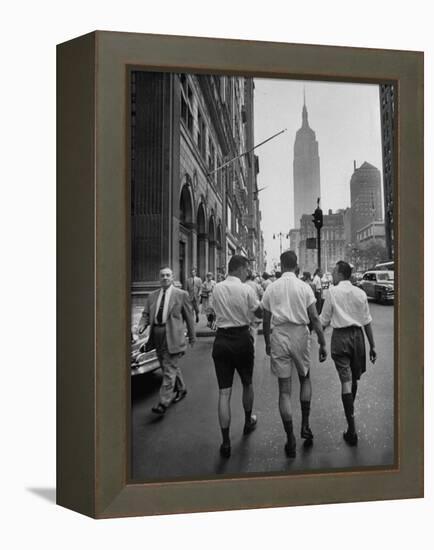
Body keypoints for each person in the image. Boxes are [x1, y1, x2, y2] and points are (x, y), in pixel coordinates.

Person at [262, 251, 327, 458]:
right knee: (305, 378)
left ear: (281, 265)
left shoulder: (271, 288)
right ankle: (305, 425)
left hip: (279, 335)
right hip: (300, 334)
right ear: (296, 265)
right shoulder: (304, 287)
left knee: (284, 390)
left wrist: (267, 342)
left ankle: (290, 438)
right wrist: (323, 343)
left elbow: (265, 319)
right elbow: (315, 318)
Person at [320, 260, 377, 446]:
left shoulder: (332, 292)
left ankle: (351, 429)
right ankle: (350, 416)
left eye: (334, 272)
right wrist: (372, 346)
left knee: (346, 381)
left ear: (341, 274)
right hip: (358, 338)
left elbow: (324, 320)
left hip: (340, 339)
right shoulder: (360, 293)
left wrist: (316, 336)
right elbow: (367, 321)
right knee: (353, 380)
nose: (333, 275)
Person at [211, 255, 263, 458]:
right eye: (246, 269)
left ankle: (225, 442)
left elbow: (213, 310)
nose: (247, 273)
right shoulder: (247, 289)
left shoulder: (216, 288)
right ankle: (248, 421)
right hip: (242, 338)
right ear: (240, 269)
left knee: (224, 393)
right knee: (247, 383)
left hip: (222, 340)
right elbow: (259, 313)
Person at [138, 267, 196, 415]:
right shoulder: (152, 296)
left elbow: (189, 317)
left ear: (172, 277)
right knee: (167, 366)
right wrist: (142, 325)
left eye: (168, 275)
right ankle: (181, 388)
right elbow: (146, 314)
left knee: (169, 369)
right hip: (157, 335)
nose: (165, 278)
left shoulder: (181, 295)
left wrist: (192, 336)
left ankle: (163, 402)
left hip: (174, 335)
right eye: (162, 275)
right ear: (159, 278)